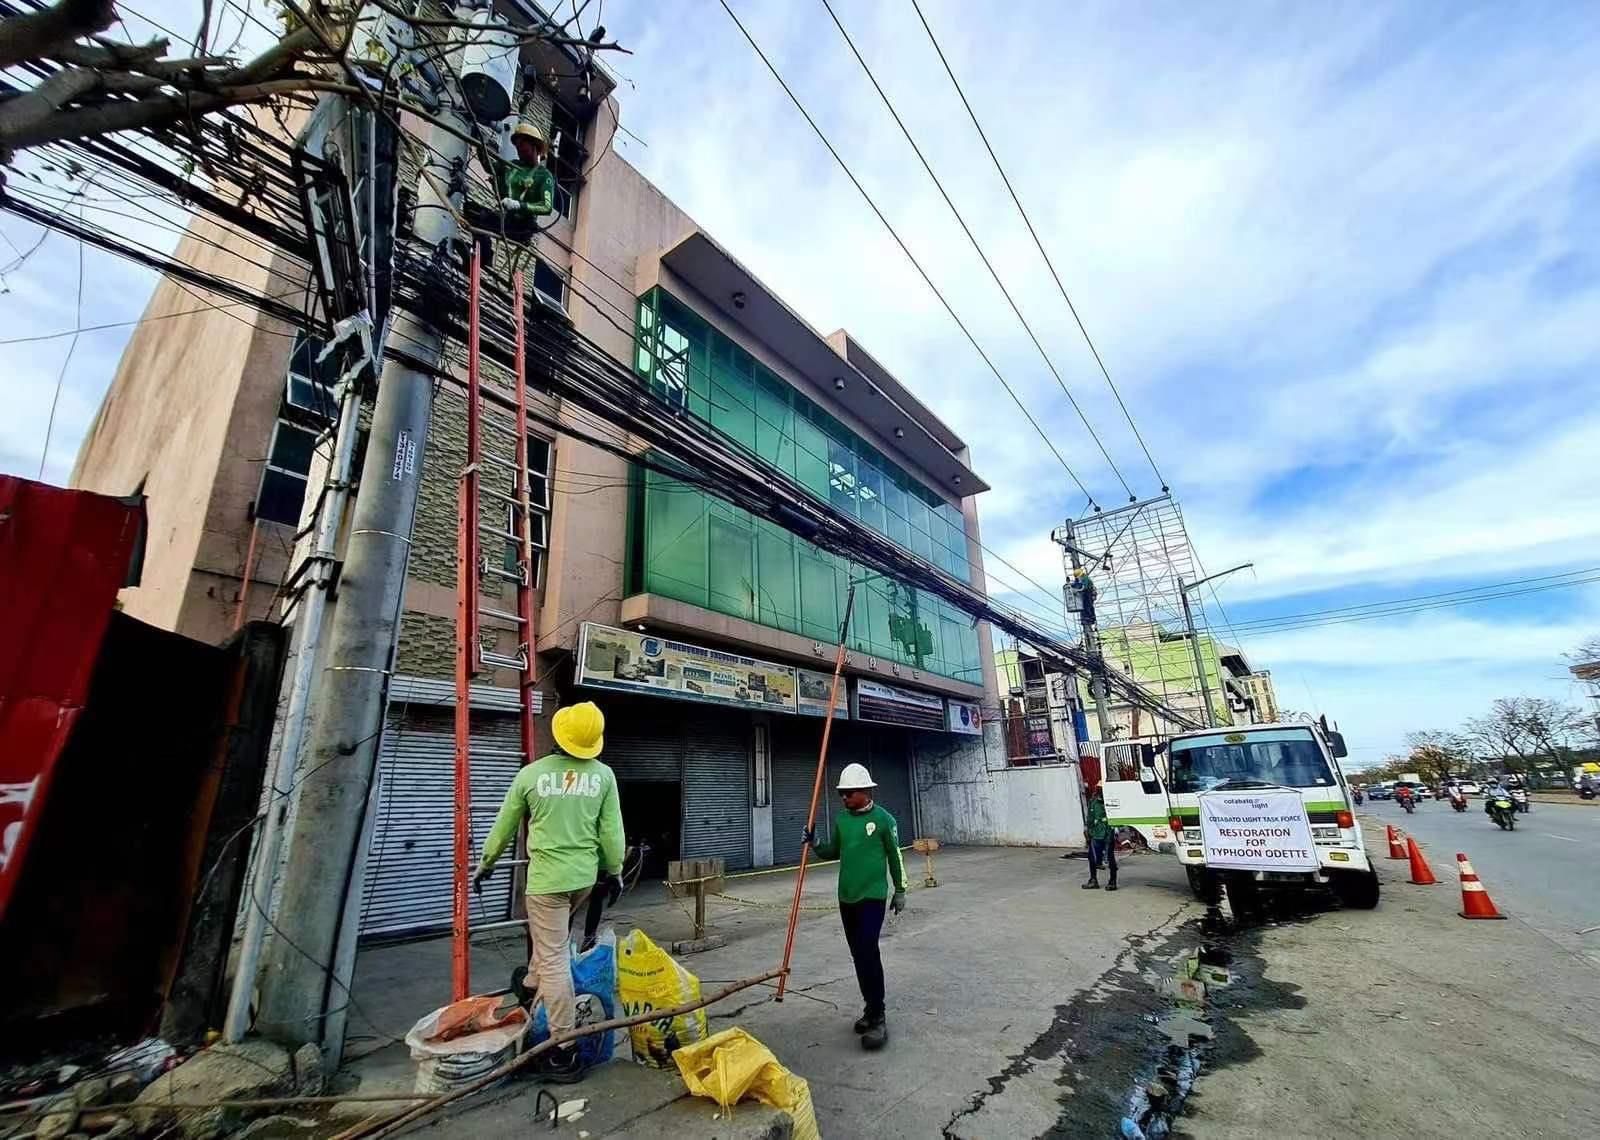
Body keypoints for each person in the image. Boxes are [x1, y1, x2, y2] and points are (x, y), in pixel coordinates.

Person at [475, 701, 623, 1083]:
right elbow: (611, 833)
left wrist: (486, 864)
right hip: (582, 879)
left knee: (555, 959)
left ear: (559, 736)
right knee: (553, 940)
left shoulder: (531, 775)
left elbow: (504, 827)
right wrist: (616, 870)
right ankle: (529, 984)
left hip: (546, 883)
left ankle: (564, 1046)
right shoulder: (604, 777)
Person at [802, 764, 909, 1052]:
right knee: (858, 955)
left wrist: (900, 890)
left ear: (866, 792)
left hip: (872, 897)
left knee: (867, 950)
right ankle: (869, 1009)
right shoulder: (841, 820)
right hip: (846, 898)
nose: (844, 799)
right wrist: (815, 843)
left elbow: (896, 856)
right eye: (842, 794)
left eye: (849, 793)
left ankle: (879, 1016)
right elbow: (833, 851)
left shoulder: (884, 820)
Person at [1081, 783, 1118, 891]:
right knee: (1092, 858)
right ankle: (1093, 880)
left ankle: (1112, 881)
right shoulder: (1094, 802)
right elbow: (1090, 818)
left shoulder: (1111, 802)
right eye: (1100, 789)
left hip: (1107, 834)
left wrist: (1113, 831)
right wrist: (1088, 831)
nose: (1101, 791)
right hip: (1096, 834)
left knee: (1110, 858)